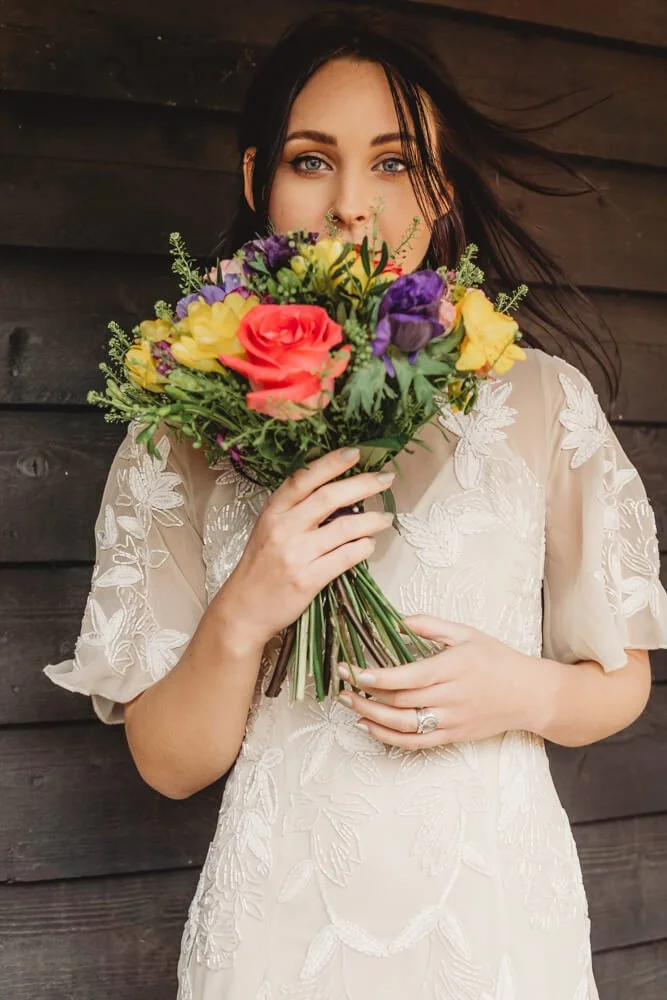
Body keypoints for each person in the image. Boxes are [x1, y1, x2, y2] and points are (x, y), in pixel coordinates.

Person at [44, 8, 667, 999]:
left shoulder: (538, 399)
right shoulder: (179, 423)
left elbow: (619, 677)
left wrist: (526, 692)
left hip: (497, 927)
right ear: (257, 181)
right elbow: (168, 764)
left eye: (392, 162)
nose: (350, 205)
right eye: (309, 159)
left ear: (442, 189)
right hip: (279, 933)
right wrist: (248, 602)